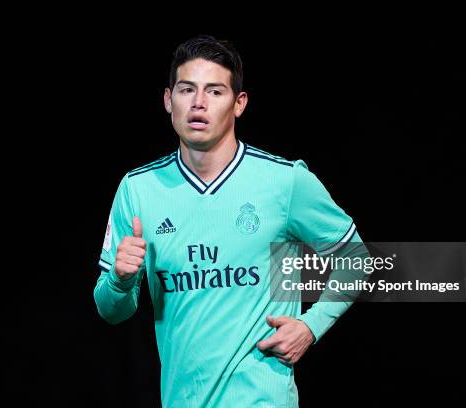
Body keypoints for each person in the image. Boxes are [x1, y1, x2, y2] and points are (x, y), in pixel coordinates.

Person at [93, 35, 370, 407]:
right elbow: (111, 310)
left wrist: (311, 325)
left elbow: (358, 260)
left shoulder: (284, 182)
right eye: (186, 89)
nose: (199, 103)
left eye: (215, 91)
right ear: (167, 99)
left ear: (239, 104)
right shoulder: (139, 189)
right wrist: (120, 280)